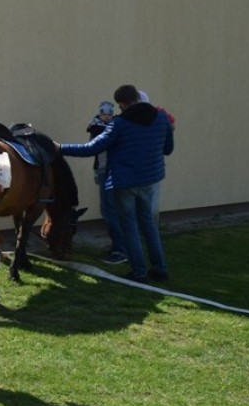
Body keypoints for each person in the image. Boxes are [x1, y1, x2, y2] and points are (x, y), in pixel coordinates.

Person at [59, 84, 174, 283]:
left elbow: (91, 148)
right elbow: (167, 149)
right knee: (149, 225)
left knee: (129, 227)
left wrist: (60, 148)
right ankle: (160, 269)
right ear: (138, 97)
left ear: (121, 104)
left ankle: (139, 273)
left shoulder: (119, 124)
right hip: (150, 179)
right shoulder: (162, 118)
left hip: (124, 183)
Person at [87, 101, 127, 265]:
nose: (107, 117)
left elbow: (91, 149)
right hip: (105, 170)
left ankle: (120, 250)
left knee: (111, 211)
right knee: (110, 210)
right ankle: (119, 247)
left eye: (109, 114)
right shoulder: (97, 128)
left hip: (110, 172)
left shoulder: (110, 129)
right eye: (104, 114)